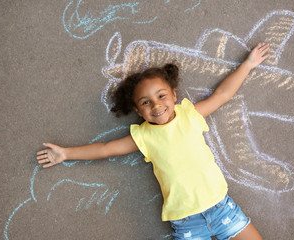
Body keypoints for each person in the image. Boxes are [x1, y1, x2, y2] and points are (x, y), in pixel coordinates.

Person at [37, 43, 269, 240]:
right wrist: (66, 154)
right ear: (137, 110)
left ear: (174, 95)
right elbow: (106, 149)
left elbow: (222, 95)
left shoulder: (190, 115)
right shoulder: (144, 136)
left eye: (161, 96)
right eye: (146, 102)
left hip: (221, 208)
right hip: (187, 222)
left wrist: (247, 64)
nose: (156, 105)